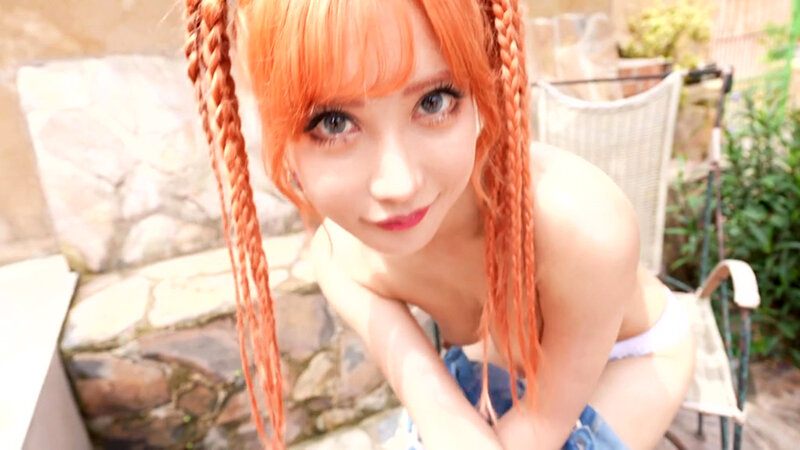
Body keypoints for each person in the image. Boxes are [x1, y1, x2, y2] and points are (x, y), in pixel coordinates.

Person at [184, 0, 695, 448]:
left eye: (434, 101)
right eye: (334, 122)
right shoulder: (343, 263)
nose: (398, 184)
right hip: (501, 359)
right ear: (280, 140)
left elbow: (544, 422)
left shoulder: (579, 223)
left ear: (484, 92)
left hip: (631, 356)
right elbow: (438, 413)